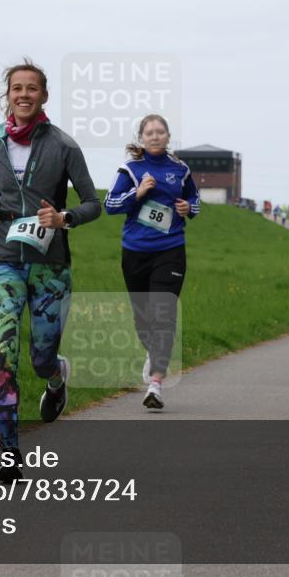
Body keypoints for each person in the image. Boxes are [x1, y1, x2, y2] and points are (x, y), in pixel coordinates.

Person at [0, 59, 101, 483]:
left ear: (44, 96)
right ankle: (9, 454)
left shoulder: (64, 146)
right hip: (4, 257)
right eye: (16, 88)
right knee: (4, 351)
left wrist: (64, 218)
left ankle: (55, 375)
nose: (24, 95)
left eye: (32, 88)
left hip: (50, 267)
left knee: (40, 356)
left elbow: (92, 203)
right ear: (6, 95)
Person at [105, 114, 200, 411]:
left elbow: (194, 201)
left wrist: (188, 208)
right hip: (135, 251)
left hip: (170, 249)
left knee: (165, 314)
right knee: (143, 318)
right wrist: (139, 192)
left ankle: (156, 384)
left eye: (161, 132)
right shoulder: (130, 169)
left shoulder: (180, 170)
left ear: (168, 136)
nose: (156, 136)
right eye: (150, 132)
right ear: (142, 138)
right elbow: (110, 204)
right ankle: (154, 355)